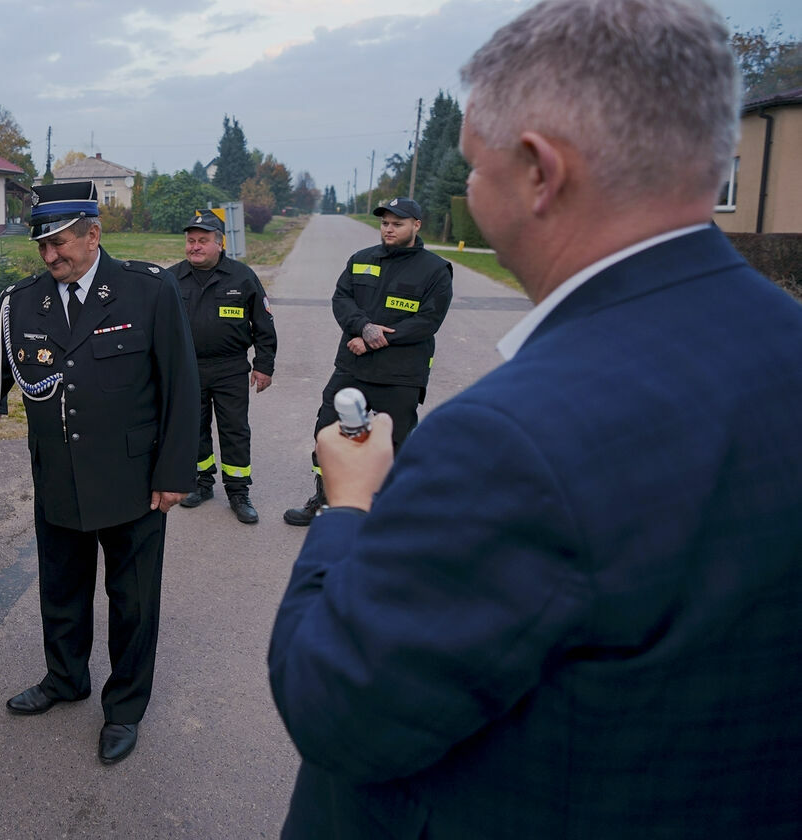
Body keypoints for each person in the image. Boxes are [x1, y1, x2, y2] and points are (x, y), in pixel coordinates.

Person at [268, 1, 802, 837]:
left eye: (475, 171)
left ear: (540, 172)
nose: (470, 195)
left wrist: (348, 509)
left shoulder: (506, 442)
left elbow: (335, 705)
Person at [0, 181, 198, 765]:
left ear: (93, 234)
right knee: (62, 592)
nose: (51, 257)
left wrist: (175, 472)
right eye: (42, 246)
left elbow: (182, 386)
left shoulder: (147, 291)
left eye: (60, 243)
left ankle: (124, 708)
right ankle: (65, 677)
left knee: (132, 602)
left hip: (133, 483)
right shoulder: (22, 303)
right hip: (58, 479)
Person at [282, 197, 451, 526]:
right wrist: (363, 326)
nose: (389, 229)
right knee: (327, 432)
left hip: (400, 374)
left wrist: (377, 339)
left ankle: (389, 512)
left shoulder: (435, 270)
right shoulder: (361, 260)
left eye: (397, 223)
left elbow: (428, 321)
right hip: (352, 368)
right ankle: (326, 499)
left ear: (416, 225)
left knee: (394, 443)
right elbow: (341, 298)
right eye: (385, 223)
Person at [172, 211, 276, 523]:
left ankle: (238, 491)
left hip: (230, 368)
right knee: (194, 429)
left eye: (203, 241)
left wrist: (264, 366)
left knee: (234, 429)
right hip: (188, 369)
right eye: (191, 241)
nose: (195, 247)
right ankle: (202, 483)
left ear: (220, 244)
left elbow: (264, 324)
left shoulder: (242, 277)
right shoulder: (172, 278)